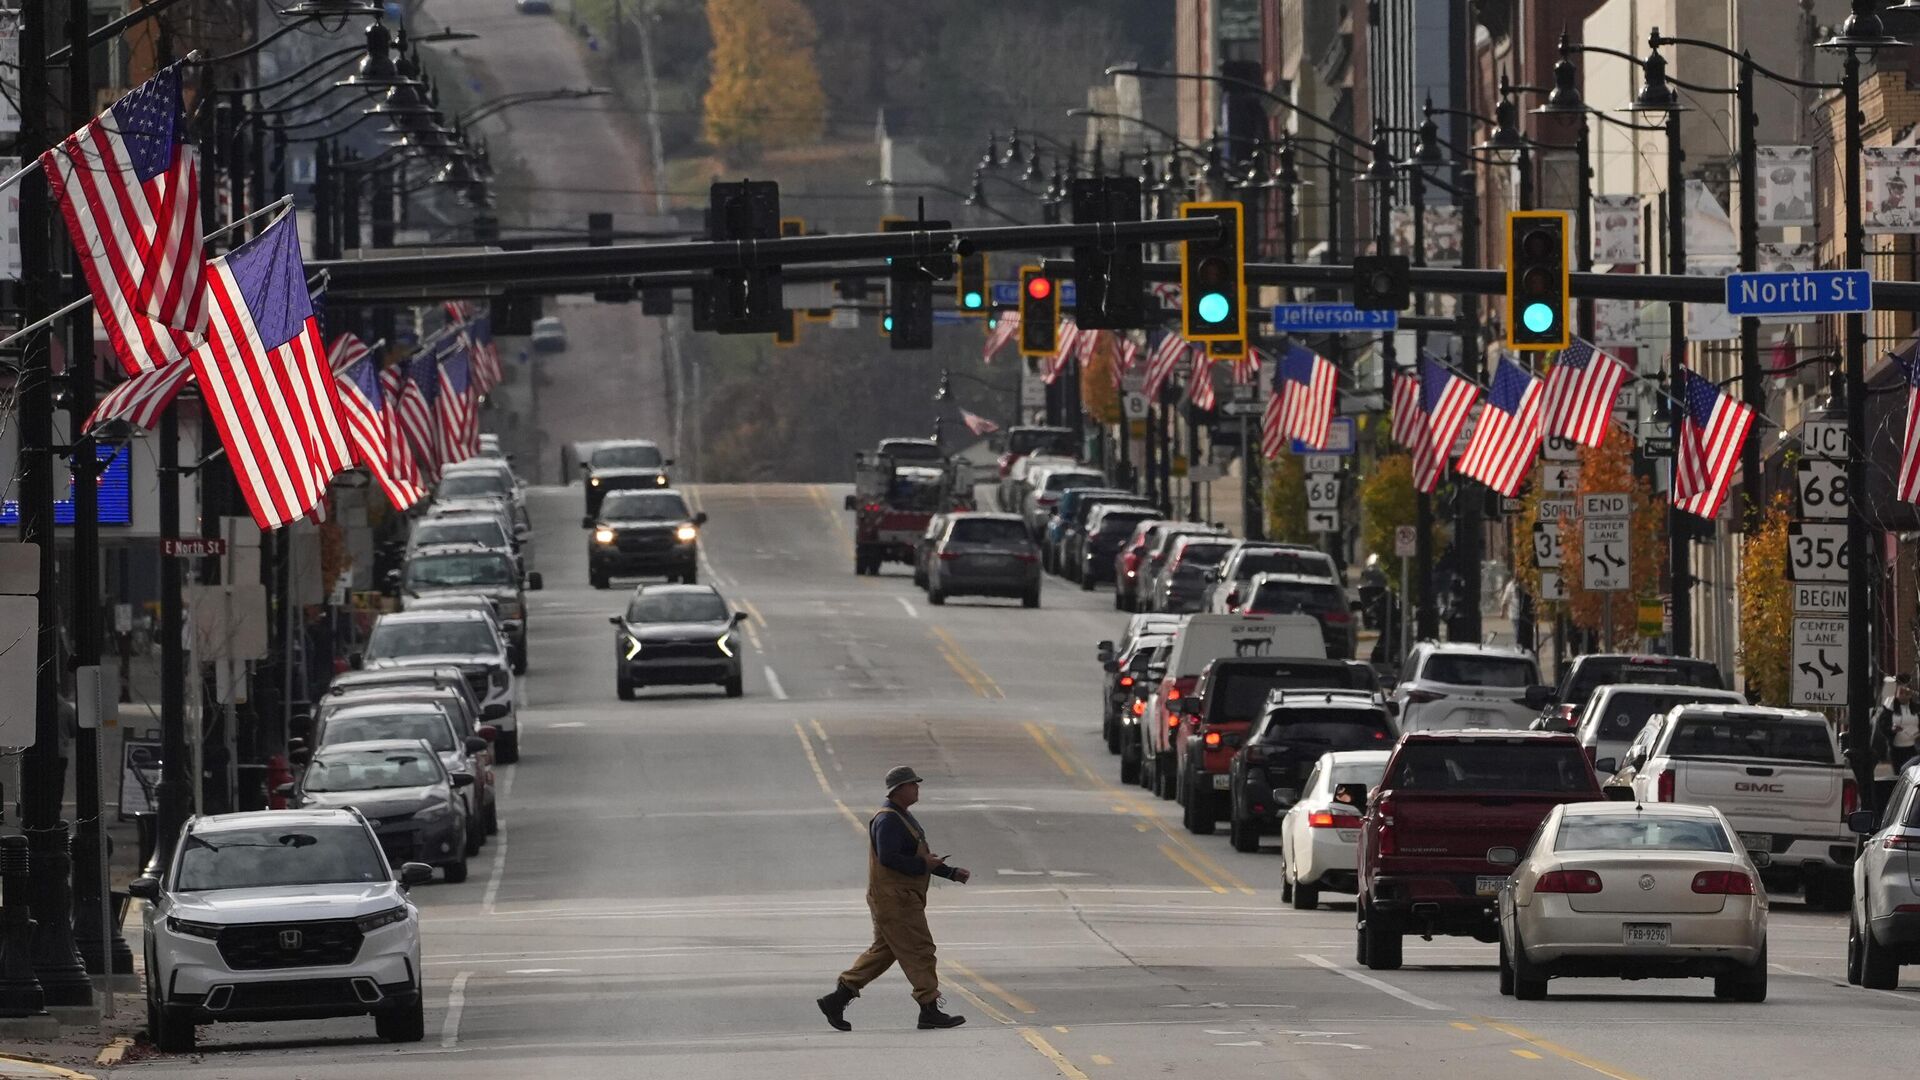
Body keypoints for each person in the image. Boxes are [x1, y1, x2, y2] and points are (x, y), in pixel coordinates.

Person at [817, 766, 971, 1032]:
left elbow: (920, 858)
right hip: (895, 899)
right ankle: (929, 1008)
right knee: (920, 950)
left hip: (899, 898)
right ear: (898, 789)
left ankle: (838, 998)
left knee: (884, 952)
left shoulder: (902, 816)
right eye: (913, 784)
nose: (917, 788)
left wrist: (950, 873)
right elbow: (890, 859)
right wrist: (924, 864)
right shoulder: (888, 820)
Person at [1873, 677, 1920, 774]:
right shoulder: (1890, 708)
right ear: (1896, 694)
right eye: (1901, 693)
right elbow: (1883, 725)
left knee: (1912, 772)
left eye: (1907, 694)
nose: (1904, 696)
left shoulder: (1915, 708)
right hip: (1896, 749)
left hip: (1912, 748)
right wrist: (1891, 729)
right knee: (1899, 773)